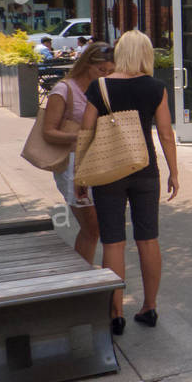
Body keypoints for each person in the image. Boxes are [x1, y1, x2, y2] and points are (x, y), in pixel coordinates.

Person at [76, 30, 178, 335]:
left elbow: (86, 131)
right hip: (145, 169)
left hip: (108, 170)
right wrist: (174, 171)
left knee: (113, 241)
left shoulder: (100, 86)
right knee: (148, 239)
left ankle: (116, 312)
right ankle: (149, 307)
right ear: (146, 54)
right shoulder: (156, 87)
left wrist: (81, 173)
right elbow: (166, 133)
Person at [41, 41, 114, 263]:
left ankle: (83, 278)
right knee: (92, 228)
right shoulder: (64, 89)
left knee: (95, 229)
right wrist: (82, 136)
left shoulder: (102, 89)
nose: (105, 75)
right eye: (101, 70)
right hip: (73, 164)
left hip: (99, 161)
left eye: (111, 71)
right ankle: (81, 279)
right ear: (86, 65)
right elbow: (48, 132)